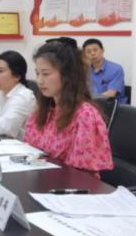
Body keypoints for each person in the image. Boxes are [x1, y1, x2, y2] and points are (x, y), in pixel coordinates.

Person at [24, 40, 113, 173]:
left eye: (46, 74)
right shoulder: (45, 110)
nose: (40, 81)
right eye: (37, 73)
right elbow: (29, 151)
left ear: (67, 75)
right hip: (42, 177)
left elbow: (81, 172)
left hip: (71, 183)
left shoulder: (84, 114)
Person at [82, 39, 127, 104]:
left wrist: (87, 100)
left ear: (102, 50)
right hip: (92, 104)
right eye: (88, 52)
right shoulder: (85, 70)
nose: (92, 53)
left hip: (112, 106)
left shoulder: (116, 69)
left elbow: (111, 94)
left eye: (95, 50)